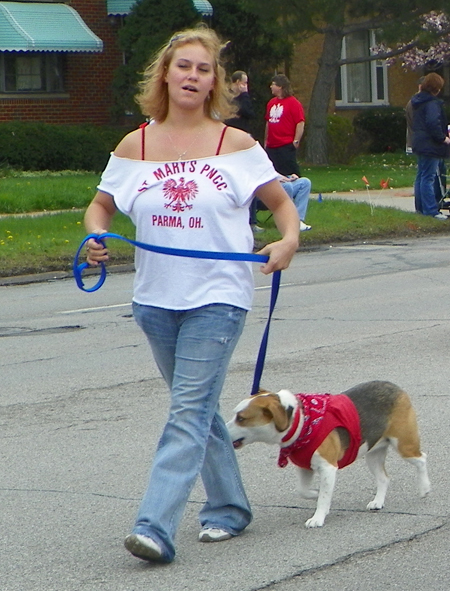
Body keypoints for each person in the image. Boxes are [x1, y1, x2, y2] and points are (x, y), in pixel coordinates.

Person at [83, 26, 299, 564]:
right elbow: (101, 206)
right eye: (184, 66)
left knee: (186, 409)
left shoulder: (237, 145)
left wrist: (288, 240)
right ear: (166, 74)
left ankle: (154, 526)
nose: (192, 76)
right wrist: (93, 238)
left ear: (213, 83)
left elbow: (281, 203)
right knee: (197, 410)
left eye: (204, 70)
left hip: (218, 298)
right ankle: (229, 506)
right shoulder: (136, 145)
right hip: (155, 300)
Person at [225, 70, 261, 233]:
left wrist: (245, 95)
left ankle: (251, 220)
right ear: (234, 83)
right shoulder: (227, 99)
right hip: (228, 143)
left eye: (246, 83)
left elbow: (249, 113)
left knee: (248, 180)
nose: (244, 87)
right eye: (242, 83)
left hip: (242, 141)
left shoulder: (243, 99)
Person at [411, 72, 450, 219]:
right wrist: (442, 138)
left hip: (420, 142)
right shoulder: (433, 103)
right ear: (437, 88)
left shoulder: (418, 102)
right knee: (428, 177)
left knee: (421, 176)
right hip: (430, 144)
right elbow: (433, 123)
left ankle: (421, 209)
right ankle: (431, 210)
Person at [264, 74, 305, 177]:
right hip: (272, 146)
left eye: (273, 84)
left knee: (290, 173)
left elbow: (300, 122)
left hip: (285, 145)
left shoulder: (293, 103)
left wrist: (296, 141)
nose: (271, 87)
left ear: (280, 86)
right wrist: (266, 141)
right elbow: (268, 122)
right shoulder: (271, 103)